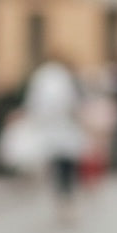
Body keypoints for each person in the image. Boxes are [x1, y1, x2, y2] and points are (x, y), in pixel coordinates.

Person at [21, 52, 87, 222]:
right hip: (63, 129)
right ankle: (66, 199)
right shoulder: (63, 77)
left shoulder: (41, 76)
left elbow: (34, 104)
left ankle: (62, 199)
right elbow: (73, 103)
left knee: (57, 166)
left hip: (51, 130)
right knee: (66, 167)